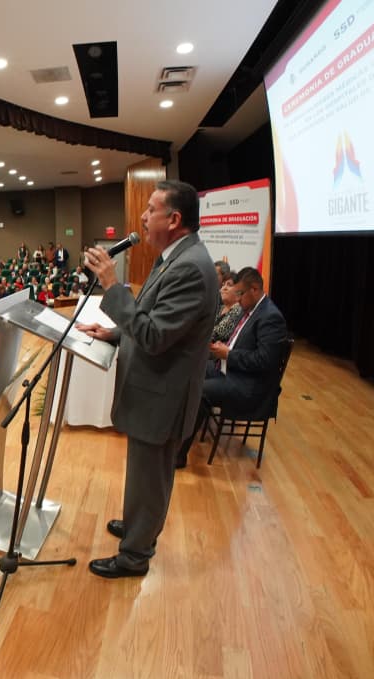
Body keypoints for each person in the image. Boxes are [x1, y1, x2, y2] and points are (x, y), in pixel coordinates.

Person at [76, 179, 218, 579]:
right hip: (155, 391)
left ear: (173, 219)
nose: (142, 216)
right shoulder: (174, 257)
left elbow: (155, 337)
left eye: (150, 209)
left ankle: (135, 556)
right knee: (144, 474)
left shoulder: (189, 267)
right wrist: (113, 332)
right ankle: (138, 525)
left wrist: (109, 284)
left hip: (163, 397)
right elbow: (152, 319)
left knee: (151, 478)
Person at [181, 267, 289, 460]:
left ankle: (178, 455)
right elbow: (241, 343)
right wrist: (226, 348)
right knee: (190, 367)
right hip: (230, 370)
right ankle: (178, 430)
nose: (237, 299)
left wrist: (229, 354)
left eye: (240, 293)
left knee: (201, 390)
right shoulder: (250, 309)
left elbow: (265, 360)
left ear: (254, 289)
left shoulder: (270, 317)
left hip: (250, 386)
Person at [211, 273, 244, 343]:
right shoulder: (220, 308)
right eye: (223, 285)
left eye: (229, 285)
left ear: (239, 291)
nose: (224, 288)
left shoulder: (238, 310)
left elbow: (217, 334)